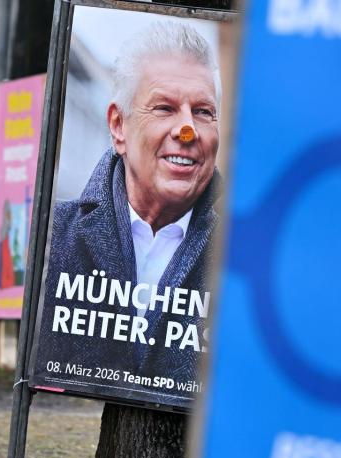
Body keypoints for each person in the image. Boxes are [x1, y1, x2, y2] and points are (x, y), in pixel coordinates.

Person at [37, 21, 222, 400]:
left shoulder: (241, 260)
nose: (187, 130)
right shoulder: (54, 236)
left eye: (203, 112)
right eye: (165, 108)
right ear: (119, 126)